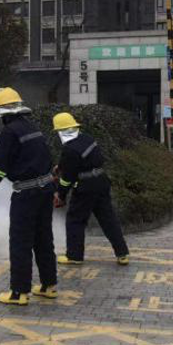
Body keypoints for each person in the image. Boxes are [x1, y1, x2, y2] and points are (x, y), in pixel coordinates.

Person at [0, 87, 58, 305]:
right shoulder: (32, 128)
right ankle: (48, 286)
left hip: (26, 195)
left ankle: (19, 292)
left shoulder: (9, 133)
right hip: (45, 190)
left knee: (20, 242)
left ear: (2, 113)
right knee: (43, 239)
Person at [52, 112, 131, 266]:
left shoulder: (69, 149)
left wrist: (60, 195)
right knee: (108, 220)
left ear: (61, 131)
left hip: (85, 188)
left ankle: (74, 256)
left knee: (75, 220)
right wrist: (60, 166)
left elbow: (67, 179)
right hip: (101, 182)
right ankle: (122, 254)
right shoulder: (87, 138)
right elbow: (83, 158)